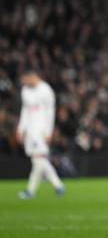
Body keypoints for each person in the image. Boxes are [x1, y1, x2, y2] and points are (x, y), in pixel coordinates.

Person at [16, 69, 64, 199]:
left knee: (38, 160)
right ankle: (58, 186)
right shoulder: (25, 90)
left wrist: (48, 131)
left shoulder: (46, 90)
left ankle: (30, 191)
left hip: (41, 130)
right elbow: (25, 111)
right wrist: (21, 129)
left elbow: (50, 113)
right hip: (30, 131)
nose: (23, 82)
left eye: (25, 79)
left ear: (33, 77)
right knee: (39, 160)